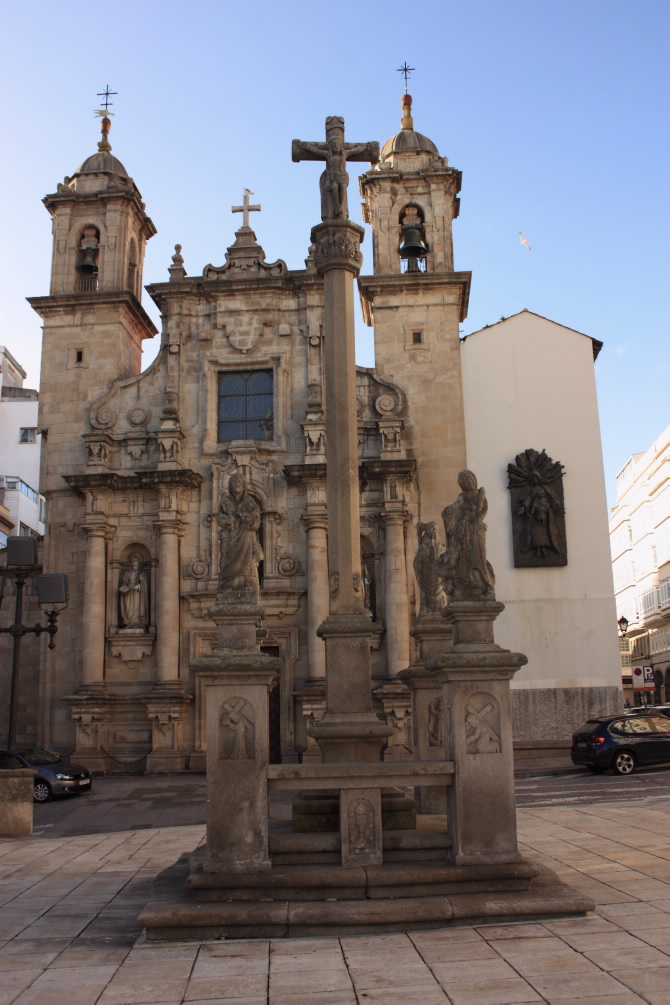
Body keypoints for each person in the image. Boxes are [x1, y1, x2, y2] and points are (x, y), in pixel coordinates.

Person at [439, 470, 495, 601]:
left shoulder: (480, 494)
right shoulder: (462, 496)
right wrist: (447, 512)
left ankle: (480, 580)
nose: (467, 482)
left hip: (475, 529)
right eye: (464, 481)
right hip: (463, 528)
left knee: (477, 554)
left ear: (473, 480)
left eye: (469, 479)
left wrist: (478, 519)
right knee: (464, 555)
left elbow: (484, 509)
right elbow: (454, 508)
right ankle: (466, 579)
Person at [217, 473, 263, 599]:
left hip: (246, 537)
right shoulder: (225, 502)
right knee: (227, 563)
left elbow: (257, 521)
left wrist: (249, 520)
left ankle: (246, 584)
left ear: (244, 486)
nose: (237, 485)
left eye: (239, 483)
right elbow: (219, 518)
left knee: (247, 565)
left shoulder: (250, 503)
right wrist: (227, 519)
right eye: (234, 482)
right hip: (231, 538)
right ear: (230, 486)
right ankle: (228, 585)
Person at [119, 554, 149, 628]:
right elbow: (124, 582)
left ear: (138, 562)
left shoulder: (141, 573)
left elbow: (144, 582)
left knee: (137, 607)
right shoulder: (128, 573)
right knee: (128, 609)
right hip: (128, 592)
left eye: (136, 561)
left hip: (137, 593)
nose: (134, 562)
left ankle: (137, 623)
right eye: (133, 561)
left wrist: (140, 585)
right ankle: (129, 623)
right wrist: (124, 588)